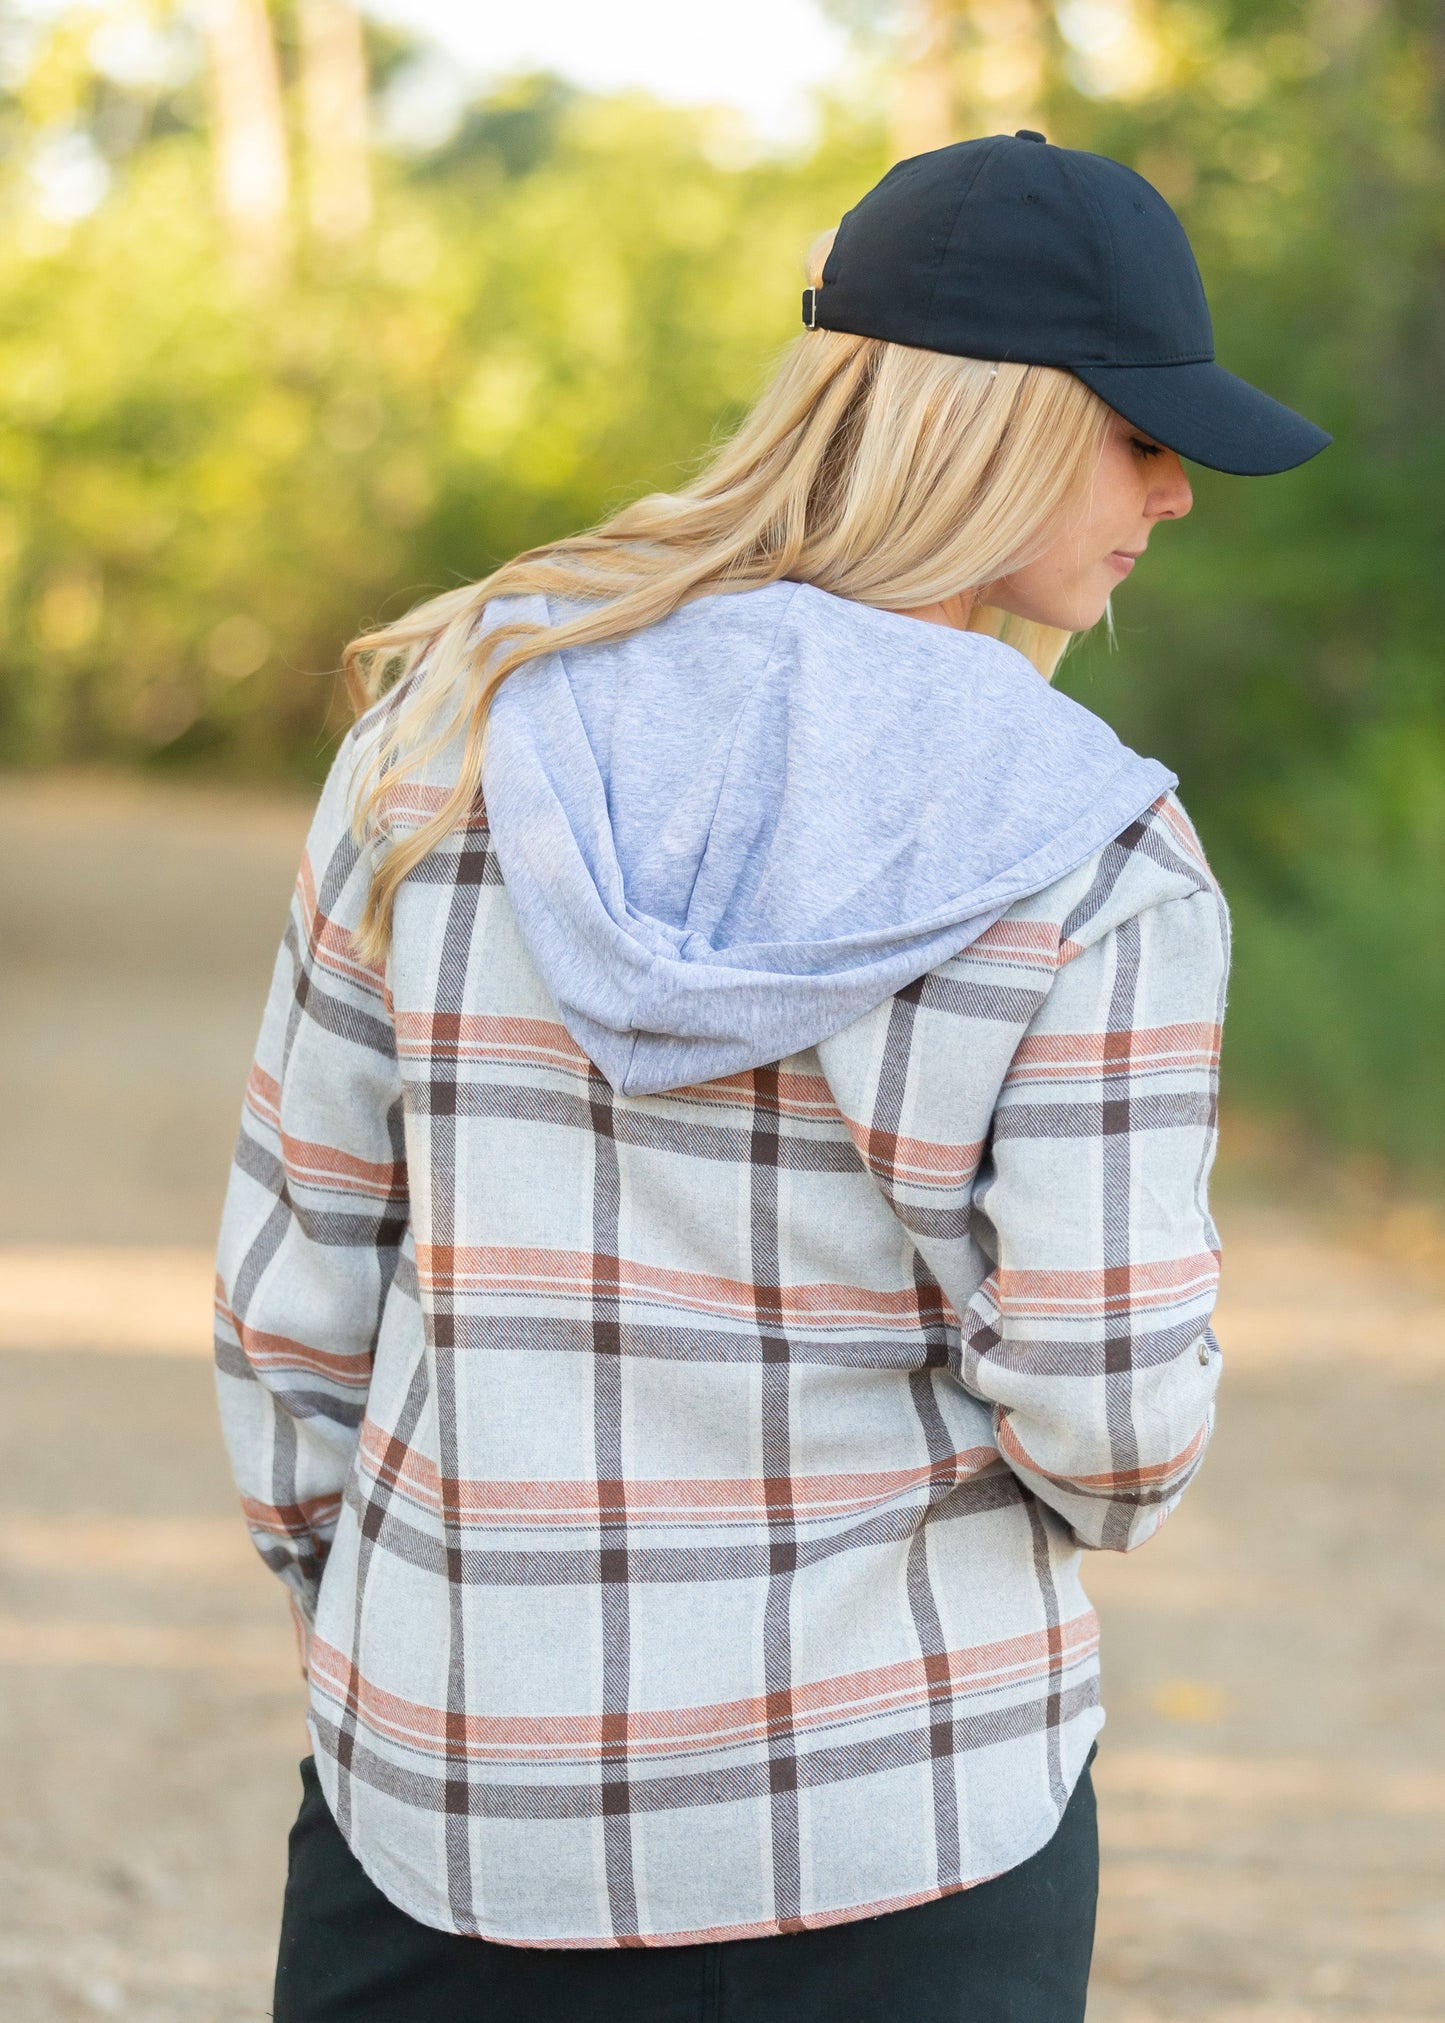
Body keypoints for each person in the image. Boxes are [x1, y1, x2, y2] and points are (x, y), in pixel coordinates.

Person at [214, 131, 1329, 2021]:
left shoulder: (452, 724)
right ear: (991, 423)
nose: (1176, 494)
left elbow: (299, 1288)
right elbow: (1114, 1426)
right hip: (898, 1821)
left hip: (453, 1802)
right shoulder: (1093, 850)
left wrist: (405, 1626)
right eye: (1142, 436)